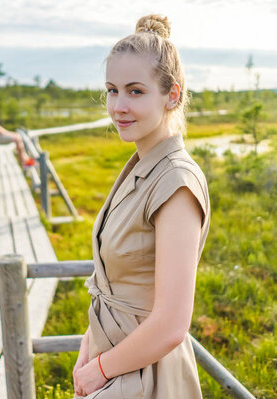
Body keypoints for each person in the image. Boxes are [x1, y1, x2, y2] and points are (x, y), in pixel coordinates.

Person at [72, 14, 210, 398]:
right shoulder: (142, 167)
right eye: (112, 90)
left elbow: (170, 324)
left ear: (172, 95)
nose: (118, 106)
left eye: (135, 91)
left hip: (147, 376)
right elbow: (119, 283)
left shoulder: (176, 183)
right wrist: (91, 342)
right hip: (116, 358)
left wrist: (97, 371)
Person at [0, 91, 36, 167]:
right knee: (17, 138)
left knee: (17, 137)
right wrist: (9, 133)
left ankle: (24, 159)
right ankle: (24, 162)